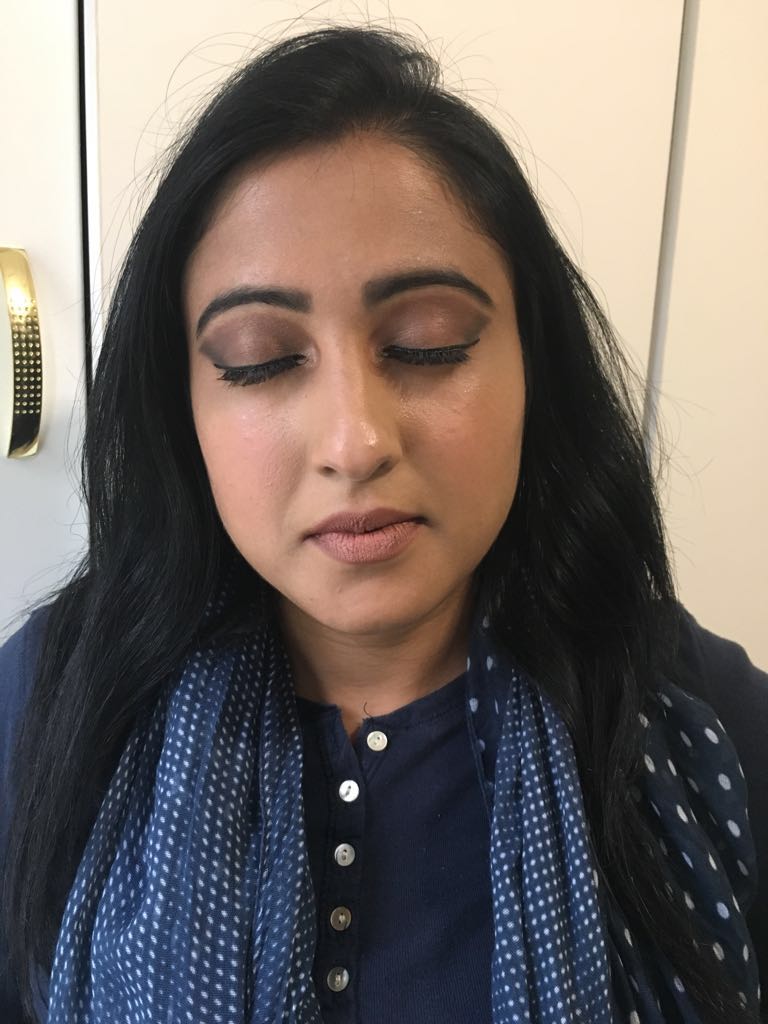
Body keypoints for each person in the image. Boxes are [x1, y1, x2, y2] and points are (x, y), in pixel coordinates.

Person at [0, 23, 766, 1024]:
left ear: (533, 367)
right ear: (178, 404)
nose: (354, 442)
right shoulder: (48, 703)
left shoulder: (700, 721)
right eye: (261, 361)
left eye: (426, 345)